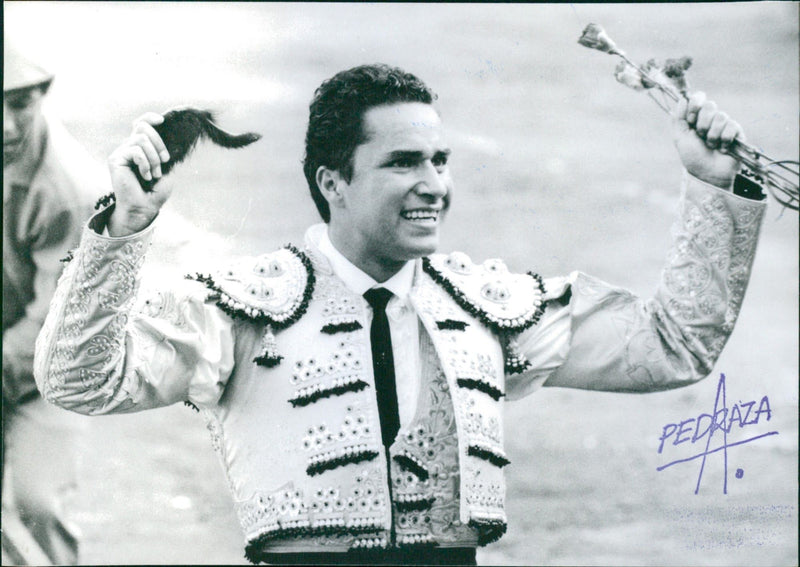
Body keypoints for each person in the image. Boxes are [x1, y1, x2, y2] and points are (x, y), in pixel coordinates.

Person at [33, 63, 766, 565]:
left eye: (440, 160)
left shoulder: (483, 306)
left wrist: (713, 187)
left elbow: (672, 346)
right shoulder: (246, 305)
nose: (433, 185)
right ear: (334, 181)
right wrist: (122, 230)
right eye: (404, 162)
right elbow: (80, 379)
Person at [3, 46, 107, 565]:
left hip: (47, 365)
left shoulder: (69, 189)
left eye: (20, 103)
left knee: (37, 506)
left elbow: (56, 326)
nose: (5, 126)